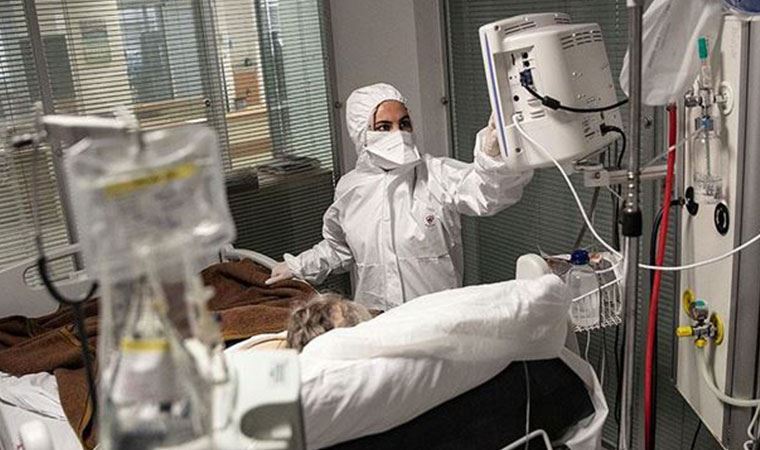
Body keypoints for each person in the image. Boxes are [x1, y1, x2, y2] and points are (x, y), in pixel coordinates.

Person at [266, 83, 533, 310]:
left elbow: (487, 193)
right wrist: (298, 266)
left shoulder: (435, 174)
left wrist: (493, 157)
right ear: (362, 135)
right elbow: (339, 248)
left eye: (404, 124)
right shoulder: (350, 189)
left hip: (437, 321)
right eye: (384, 127)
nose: (398, 134)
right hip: (376, 322)